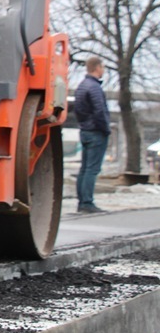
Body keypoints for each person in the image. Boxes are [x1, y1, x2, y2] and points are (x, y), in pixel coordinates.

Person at [73, 56, 110, 214]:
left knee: (84, 168)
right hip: (96, 132)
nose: (103, 70)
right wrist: (105, 128)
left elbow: (79, 109)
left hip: (85, 130)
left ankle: (82, 201)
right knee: (92, 169)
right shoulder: (94, 87)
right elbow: (99, 111)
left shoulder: (82, 86)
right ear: (96, 68)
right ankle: (87, 202)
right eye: (102, 67)